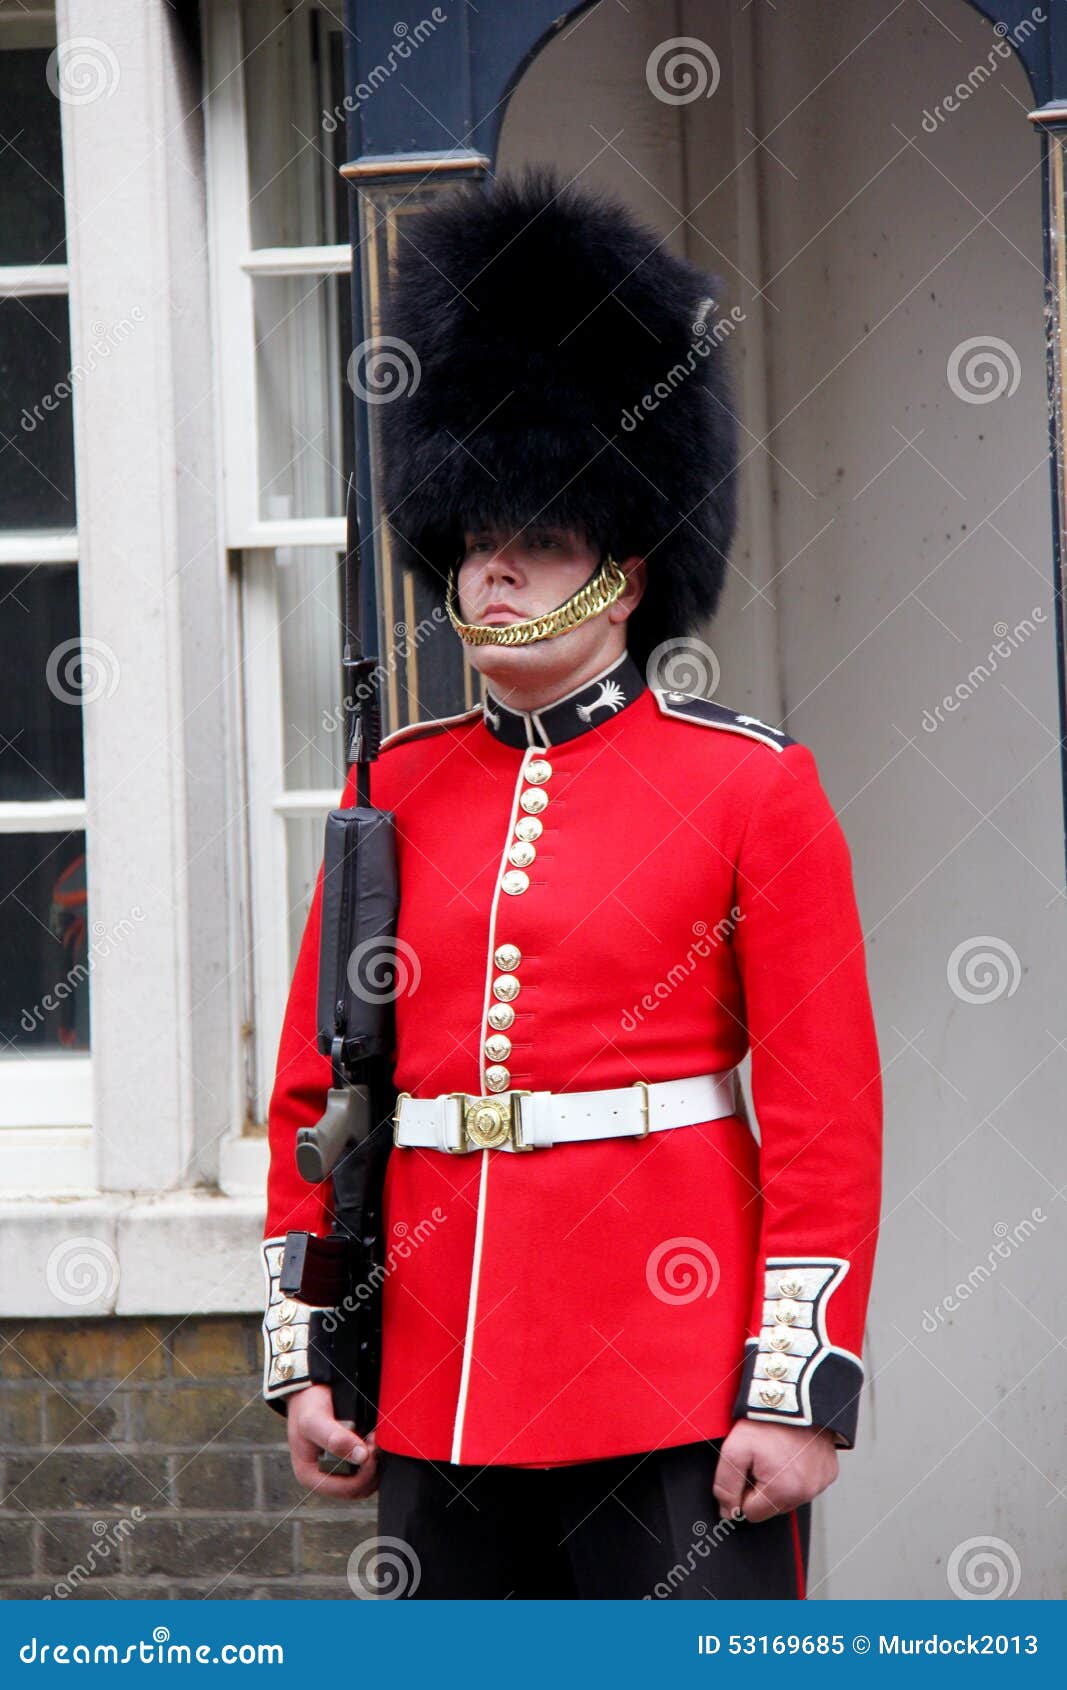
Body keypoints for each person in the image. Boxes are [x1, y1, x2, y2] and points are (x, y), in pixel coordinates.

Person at [259, 167, 883, 1600]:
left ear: (625, 564)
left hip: (674, 1386)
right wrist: (309, 1349)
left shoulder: (750, 785)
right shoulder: (394, 788)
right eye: (477, 542)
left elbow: (821, 1118)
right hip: (436, 1380)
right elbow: (318, 1095)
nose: (494, 575)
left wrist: (795, 1384)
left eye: (536, 541)